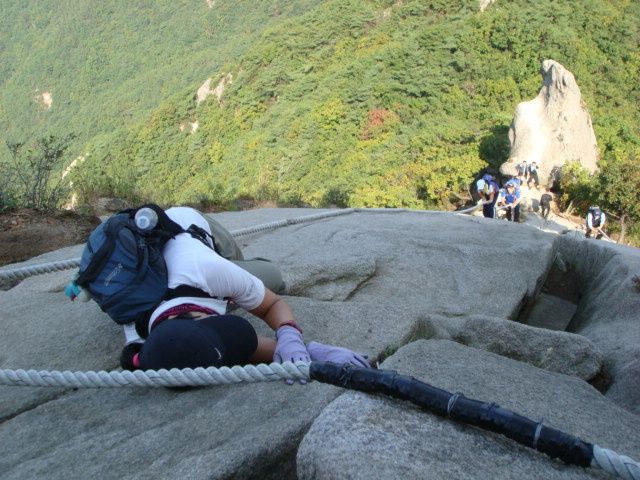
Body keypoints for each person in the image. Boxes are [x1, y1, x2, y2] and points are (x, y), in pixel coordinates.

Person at [119, 207, 370, 373]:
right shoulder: (142, 336)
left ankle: (244, 264)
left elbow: (273, 304)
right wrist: (312, 352)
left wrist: (289, 333)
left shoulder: (211, 270)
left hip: (193, 226)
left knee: (273, 277)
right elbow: (230, 346)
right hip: (166, 255)